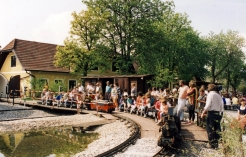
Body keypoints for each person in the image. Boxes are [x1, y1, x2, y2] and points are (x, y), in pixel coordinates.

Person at [201, 84, 223, 149]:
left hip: (211, 113)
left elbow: (208, 105)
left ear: (209, 89)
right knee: (217, 128)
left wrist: (203, 112)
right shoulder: (219, 95)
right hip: (218, 113)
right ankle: (216, 144)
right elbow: (222, 106)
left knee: (210, 128)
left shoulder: (210, 94)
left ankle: (211, 144)